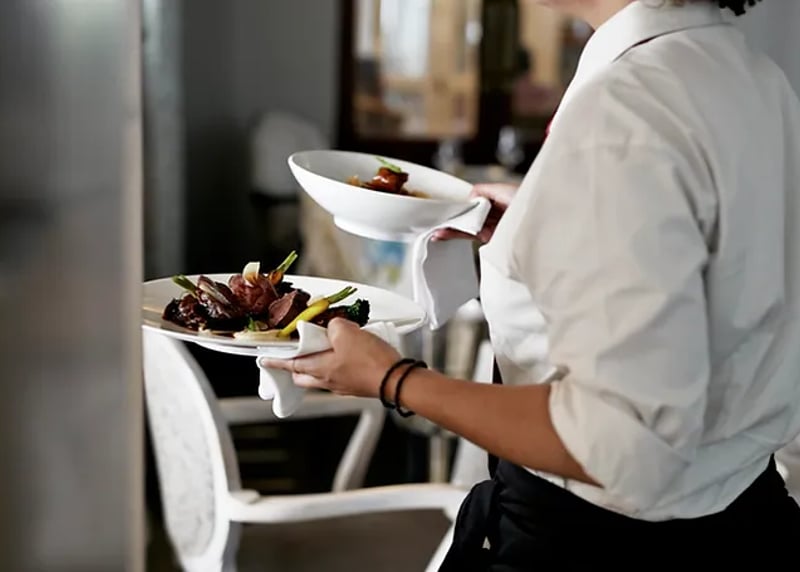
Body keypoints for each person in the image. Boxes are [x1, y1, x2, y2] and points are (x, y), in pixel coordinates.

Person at [265, 0, 800, 566]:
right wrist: (548, 223)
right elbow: (722, 266)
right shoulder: (751, 76)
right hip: (746, 524)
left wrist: (393, 379)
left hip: (596, 546)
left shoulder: (624, 108)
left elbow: (625, 444)